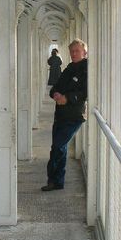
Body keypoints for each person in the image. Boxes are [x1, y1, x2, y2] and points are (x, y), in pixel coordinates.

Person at [42, 39, 88, 192]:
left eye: (77, 51)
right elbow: (55, 86)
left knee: (58, 146)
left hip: (74, 117)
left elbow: (85, 93)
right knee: (58, 148)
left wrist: (67, 98)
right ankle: (57, 182)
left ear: (84, 52)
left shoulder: (87, 69)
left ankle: (53, 180)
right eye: (72, 51)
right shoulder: (68, 69)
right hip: (60, 115)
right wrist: (55, 94)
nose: (74, 53)